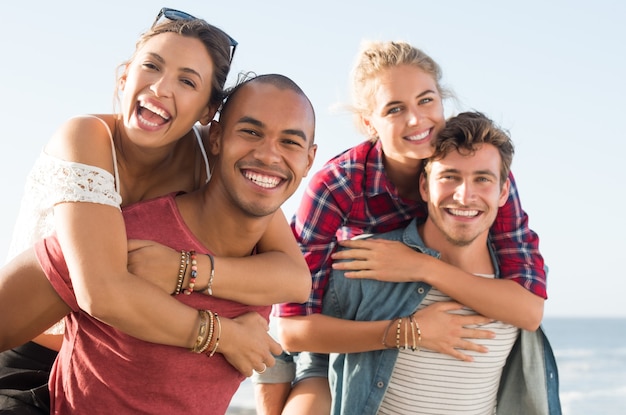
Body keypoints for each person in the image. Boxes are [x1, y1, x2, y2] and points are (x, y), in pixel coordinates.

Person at [0, 9, 311, 414]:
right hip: (38, 351)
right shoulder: (87, 138)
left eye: (187, 81)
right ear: (124, 77)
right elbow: (103, 292)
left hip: (120, 354)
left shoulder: (214, 155)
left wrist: (188, 267)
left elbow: (293, 277)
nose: (162, 88)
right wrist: (226, 336)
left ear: (207, 114)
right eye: (151, 66)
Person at [253, 41, 546, 415]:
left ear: (442, 101)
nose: (416, 120)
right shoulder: (337, 186)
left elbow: (529, 304)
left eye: (426, 101)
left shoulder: (477, 179)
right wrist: (409, 331)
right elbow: (293, 327)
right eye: (395, 109)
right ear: (368, 122)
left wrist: (421, 267)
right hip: (341, 322)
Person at [323, 111, 560, 414]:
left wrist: (424, 268)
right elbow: (296, 350)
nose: (464, 196)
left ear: (503, 192)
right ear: (424, 186)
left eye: (482, 179)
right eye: (450, 177)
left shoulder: (521, 284)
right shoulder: (369, 261)